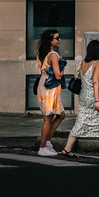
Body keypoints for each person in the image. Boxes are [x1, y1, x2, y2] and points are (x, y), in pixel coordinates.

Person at [36, 28, 66, 156]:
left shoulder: (42, 53)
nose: (59, 40)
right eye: (57, 38)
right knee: (48, 118)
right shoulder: (53, 55)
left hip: (44, 86)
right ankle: (43, 147)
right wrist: (63, 66)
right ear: (50, 40)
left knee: (60, 114)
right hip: (50, 89)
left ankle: (47, 142)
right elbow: (58, 76)